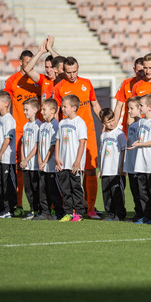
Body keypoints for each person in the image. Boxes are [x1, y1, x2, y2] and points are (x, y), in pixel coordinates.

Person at [53, 56, 102, 219]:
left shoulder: (86, 83)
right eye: (68, 72)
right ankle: (73, 208)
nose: (72, 75)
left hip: (88, 132)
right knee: (70, 172)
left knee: (90, 170)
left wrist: (106, 123)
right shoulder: (60, 87)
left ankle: (91, 207)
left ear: (78, 68)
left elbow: (95, 105)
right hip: (69, 136)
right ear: (63, 71)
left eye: (74, 71)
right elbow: (57, 111)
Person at [4, 50, 42, 216]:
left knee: (40, 167)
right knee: (20, 168)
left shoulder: (37, 81)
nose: (29, 64)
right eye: (27, 61)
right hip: (19, 130)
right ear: (20, 62)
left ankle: (41, 206)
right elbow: (5, 103)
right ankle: (18, 204)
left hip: (36, 129)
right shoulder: (12, 81)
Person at [128, 94, 151, 224]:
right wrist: (138, 141)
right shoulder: (141, 122)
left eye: (141, 105)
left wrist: (140, 144)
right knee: (142, 192)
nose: (140, 107)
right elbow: (143, 138)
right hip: (140, 163)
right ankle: (146, 215)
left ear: (149, 107)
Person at [55, 94, 87, 222]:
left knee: (76, 189)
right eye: (62, 106)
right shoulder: (62, 122)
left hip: (75, 164)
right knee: (65, 190)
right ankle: (68, 212)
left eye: (65, 106)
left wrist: (78, 161)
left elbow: (82, 142)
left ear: (74, 108)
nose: (62, 108)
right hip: (63, 163)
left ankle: (78, 213)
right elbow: (58, 141)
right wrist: (57, 158)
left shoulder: (80, 122)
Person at [98, 108, 127, 221]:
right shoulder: (103, 136)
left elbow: (124, 150)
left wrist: (122, 167)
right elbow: (102, 153)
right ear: (103, 123)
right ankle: (109, 213)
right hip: (105, 170)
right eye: (108, 122)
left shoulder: (119, 133)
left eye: (113, 120)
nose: (111, 123)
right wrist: (100, 169)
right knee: (106, 193)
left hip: (116, 170)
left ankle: (119, 214)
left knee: (117, 193)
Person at [37, 99, 64, 220]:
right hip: (43, 165)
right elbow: (39, 145)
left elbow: (53, 146)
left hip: (51, 165)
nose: (41, 112)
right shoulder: (42, 126)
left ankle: (59, 212)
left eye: (44, 109)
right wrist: (39, 160)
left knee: (54, 191)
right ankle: (45, 212)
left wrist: (45, 161)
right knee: (43, 190)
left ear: (53, 111)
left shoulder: (55, 125)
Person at [0, 91, 17, 218]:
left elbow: (8, 139)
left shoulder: (9, 120)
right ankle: (3, 209)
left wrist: (0, 154)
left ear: (6, 104)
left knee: (8, 185)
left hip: (7, 159)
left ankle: (10, 210)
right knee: (0, 184)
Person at [23, 36, 64, 101]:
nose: (48, 70)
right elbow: (27, 69)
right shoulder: (44, 79)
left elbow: (62, 63)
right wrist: (41, 52)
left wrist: (50, 49)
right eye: (46, 67)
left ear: (56, 67)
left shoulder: (62, 79)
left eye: (51, 67)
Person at [20, 98, 42, 219]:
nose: (24, 112)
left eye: (27, 110)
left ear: (35, 110)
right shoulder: (25, 125)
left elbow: (37, 145)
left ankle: (38, 210)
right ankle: (32, 209)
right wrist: (23, 159)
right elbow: (23, 143)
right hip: (26, 164)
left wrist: (27, 159)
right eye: (24, 110)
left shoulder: (38, 125)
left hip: (33, 164)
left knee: (36, 188)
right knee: (28, 188)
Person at [123, 96, 144, 221]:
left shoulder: (143, 125)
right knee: (135, 191)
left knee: (142, 191)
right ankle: (138, 213)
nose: (129, 111)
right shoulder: (132, 125)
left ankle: (144, 213)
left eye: (131, 108)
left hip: (139, 165)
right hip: (131, 164)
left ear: (139, 108)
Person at [113, 57, 144, 132]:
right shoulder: (126, 83)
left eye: (143, 70)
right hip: (129, 125)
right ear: (134, 70)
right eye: (139, 71)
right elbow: (118, 106)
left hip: (145, 125)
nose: (142, 74)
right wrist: (113, 126)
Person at [131, 53, 151, 120]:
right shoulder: (137, 86)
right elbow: (132, 111)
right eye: (145, 68)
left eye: (150, 68)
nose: (148, 71)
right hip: (142, 127)